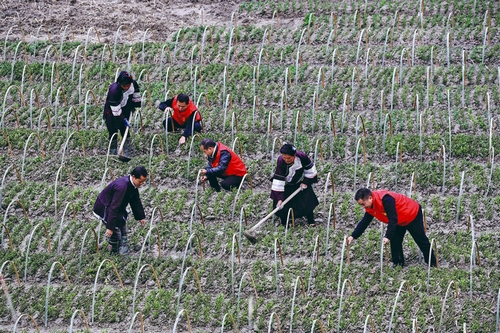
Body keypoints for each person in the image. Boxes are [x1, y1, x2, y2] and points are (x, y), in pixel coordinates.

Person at [347, 188, 437, 267]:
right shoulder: (370, 207)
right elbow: (364, 222)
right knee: (395, 241)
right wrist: (353, 236)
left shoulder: (385, 199)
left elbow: (392, 219)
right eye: (361, 205)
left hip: (412, 214)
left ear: (370, 198)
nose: (363, 207)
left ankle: (432, 263)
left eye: (363, 204)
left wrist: (387, 236)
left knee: (420, 239)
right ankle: (398, 263)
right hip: (399, 219)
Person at [93, 166, 148, 254]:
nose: (142, 184)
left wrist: (141, 216)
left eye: (143, 182)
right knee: (115, 232)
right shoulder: (122, 187)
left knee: (122, 224)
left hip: (117, 207)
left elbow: (135, 201)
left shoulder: (132, 185)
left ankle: (123, 246)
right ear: (133, 177)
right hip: (105, 207)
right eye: (140, 181)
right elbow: (113, 207)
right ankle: (113, 253)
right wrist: (110, 227)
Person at [270, 143, 319, 226]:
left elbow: (310, 169)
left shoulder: (302, 157)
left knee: (307, 200)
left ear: (294, 155)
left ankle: (311, 220)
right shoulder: (281, 161)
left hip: (300, 182)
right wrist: (279, 198)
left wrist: (305, 182)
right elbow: (279, 178)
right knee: (282, 205)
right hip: (285, 184)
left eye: (289, 158)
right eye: (284, 157)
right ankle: (285, 223)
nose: (286, 160)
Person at [103, 71, 142, 155]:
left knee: (125, 130)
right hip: (111, 111)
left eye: (128, 85)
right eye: (124, 86)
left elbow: (136, 95)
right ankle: (112, 152)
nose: (127, 87)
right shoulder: (114, 91)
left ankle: (127, 150)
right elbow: (115, 110)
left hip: (125, 108)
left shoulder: (133, 84)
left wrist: (134, 107)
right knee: (113, 130)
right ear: (120, 83)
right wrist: (123, 119)